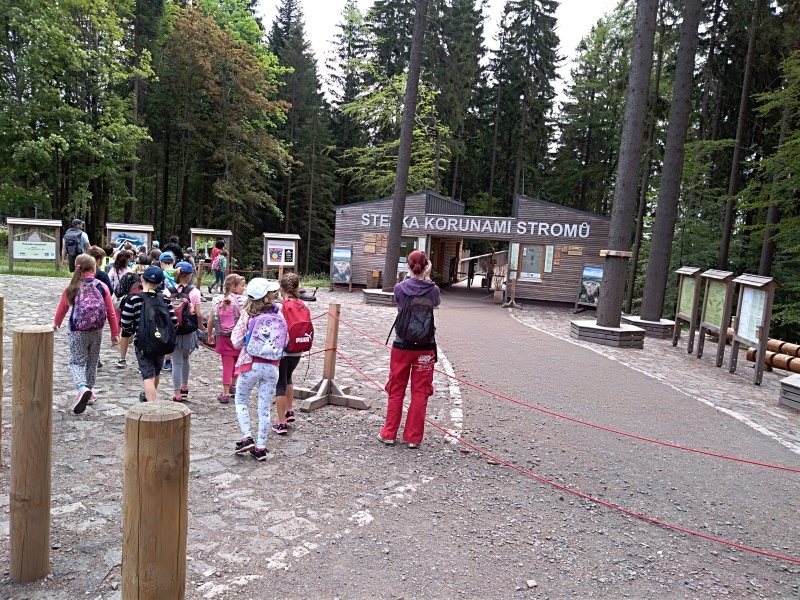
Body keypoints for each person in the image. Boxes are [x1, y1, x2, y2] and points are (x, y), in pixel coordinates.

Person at [378, 250, 440, 449]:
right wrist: (426, 278)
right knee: (421, 392)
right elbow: (436, 303)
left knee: (396, 390)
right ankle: (413, 438)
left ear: (408, 266)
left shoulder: (399, 288)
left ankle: (389, 434)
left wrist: (413, 276)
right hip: (425, 347)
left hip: (401, 346)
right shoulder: (433, 290)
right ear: (427, 266)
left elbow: (401, 298)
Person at [53, 254, 120, 414]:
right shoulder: (101, 286)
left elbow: (63, 307)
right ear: (94, 268)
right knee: (92, 362)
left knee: (76, 362)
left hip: (77, 330)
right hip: (96, 330)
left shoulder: (72, 287)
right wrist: (114, 333)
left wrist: (56, 323)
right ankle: (89, 392)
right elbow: (111, 312)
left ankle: (82, 388)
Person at [231, 278, 284, 461]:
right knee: (264, 407)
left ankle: (247, 437)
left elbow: (236, 341)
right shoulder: (278, 312)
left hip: (250, 364)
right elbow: (285, 339)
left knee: (241, 401)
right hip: (272, 366)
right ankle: (261, 447)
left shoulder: (247, 314)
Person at [119, 266, 178, 402]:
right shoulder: (164, 299)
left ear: (141, 279)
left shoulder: (134, 299)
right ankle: (148, 396)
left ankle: (151, 405)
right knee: (156, 372)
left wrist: (131, 330)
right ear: (160, 283)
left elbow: (125, 322)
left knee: (148, 375)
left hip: (143, 343)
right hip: (162, 342)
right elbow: (174, 322)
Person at [272, 272, 310, 435]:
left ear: (281, 288)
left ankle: (281, 423)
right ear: (297, 287)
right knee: (288, 378)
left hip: (283, 350)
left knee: (280, 383)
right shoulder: (303, 304)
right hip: (298, 347)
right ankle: (289, 410)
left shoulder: (278, 306)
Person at [164, 261, 205, 402]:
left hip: (174, 331)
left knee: (176, 362)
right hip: (188, 330)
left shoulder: (167, 292)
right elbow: (198, 314)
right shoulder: (195, 292)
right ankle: (184, 387)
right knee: (186, 358)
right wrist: (201, 327)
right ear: (189, 276)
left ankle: (176, 394)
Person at [207, 274, 246, 404]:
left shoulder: (217, 300)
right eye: (242, 285)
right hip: (238, 338)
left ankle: (225, 393)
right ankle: (233, 385)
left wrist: (209, 334)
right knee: (237, 363)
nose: (244, 288)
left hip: (223, 337)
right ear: (234, 287)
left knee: (227, 365)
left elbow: (211, 320)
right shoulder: (243, 301)